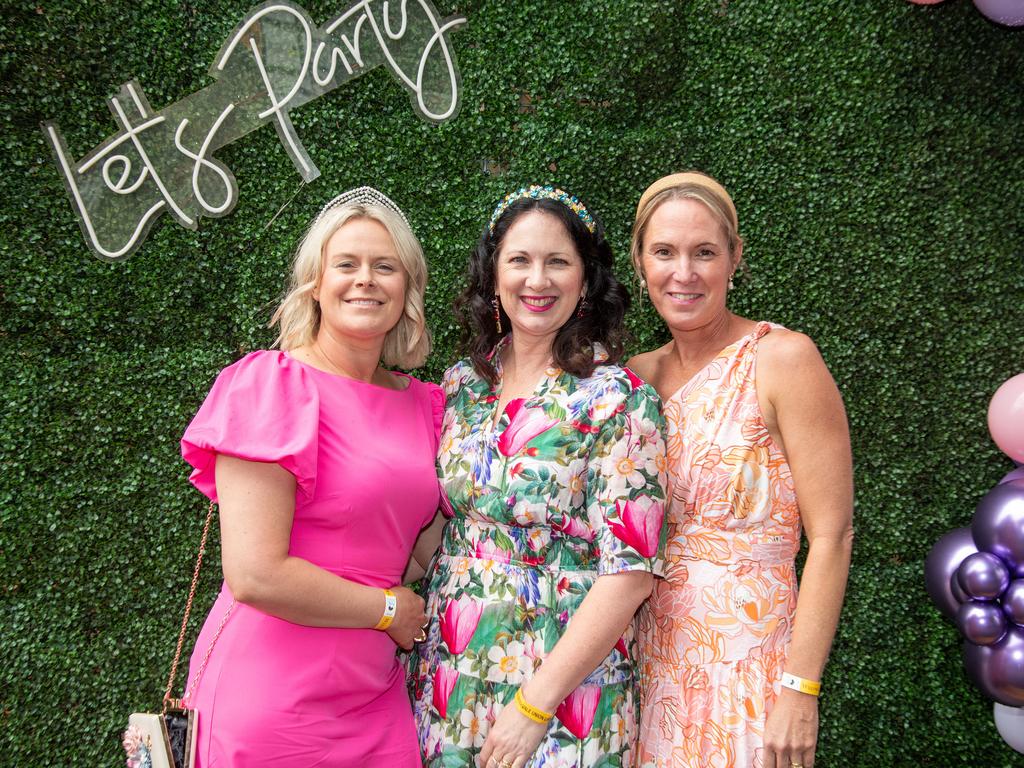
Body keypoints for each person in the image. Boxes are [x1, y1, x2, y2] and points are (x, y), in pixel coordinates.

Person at [178, 187, 443, 767]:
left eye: (385, 266)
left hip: (375, 694)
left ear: (408, 288)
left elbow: (423, 549)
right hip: (271, 695)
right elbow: (255, 574)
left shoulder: (426, 406)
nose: (365, 280)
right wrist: (390, 611)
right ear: (316, 284)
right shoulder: (271, 386)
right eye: (345, 264)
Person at [408, 185, 668, 768]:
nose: (537, 279)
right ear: (493, 274)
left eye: (558, 262)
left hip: (562, 696)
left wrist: (534, 707)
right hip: (451, 675)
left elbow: (630, 574)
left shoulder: (618, 399)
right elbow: (436, 531)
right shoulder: (461, 387)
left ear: (585, 281)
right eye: (520, 260)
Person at [628, 172, 854, 768]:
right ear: (640, 263)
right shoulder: (633, 378)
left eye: (705, 252)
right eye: (665, 252)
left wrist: (800, 690)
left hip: (753, 674)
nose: (685, 272)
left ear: (734, 258)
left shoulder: (783, 360)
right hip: (651, 672)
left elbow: (832, 536)